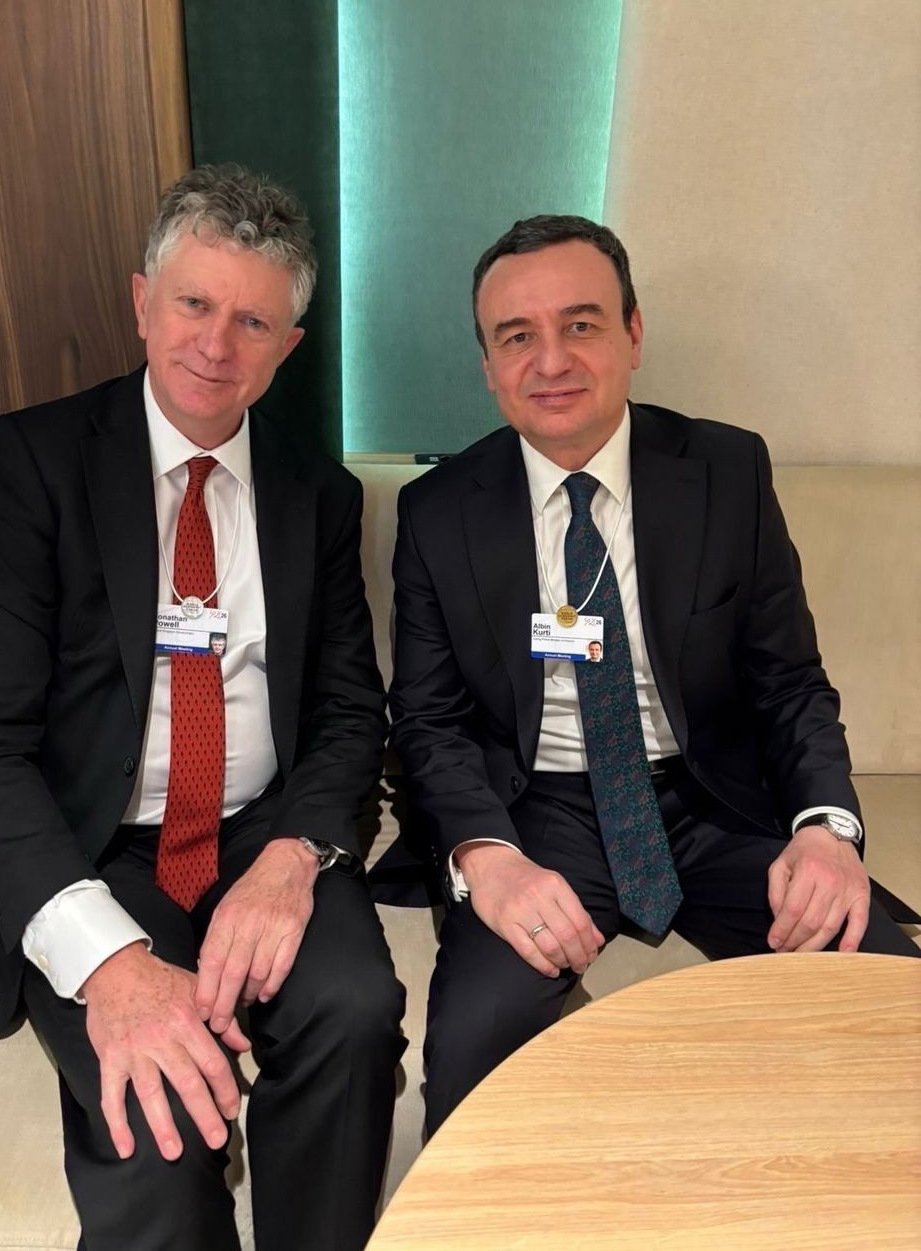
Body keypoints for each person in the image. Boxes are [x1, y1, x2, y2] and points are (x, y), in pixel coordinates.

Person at [0, 164, 405, 1251]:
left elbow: (349, 712)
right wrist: (108, 962)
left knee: (354, 1009)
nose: (216, 344)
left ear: (287, 346)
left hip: (256, 832)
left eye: (254, 321)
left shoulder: (317, 493)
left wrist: (294, 857)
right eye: (194, 302)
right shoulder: (38, 461)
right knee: (156, 1117)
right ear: (142, 300)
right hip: (89, 840)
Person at [382, 213, 918, 1135]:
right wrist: (487, 856)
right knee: (471, 1047)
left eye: (581, 323)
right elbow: (427, 720)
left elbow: (789, 681)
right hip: (537, 813)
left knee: (886, 1000)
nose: (551, 360)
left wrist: (828, 828)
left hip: (714, 801)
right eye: (517, 336)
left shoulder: (726, 470)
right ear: (488, 365)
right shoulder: (436, 512)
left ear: (633, 333)